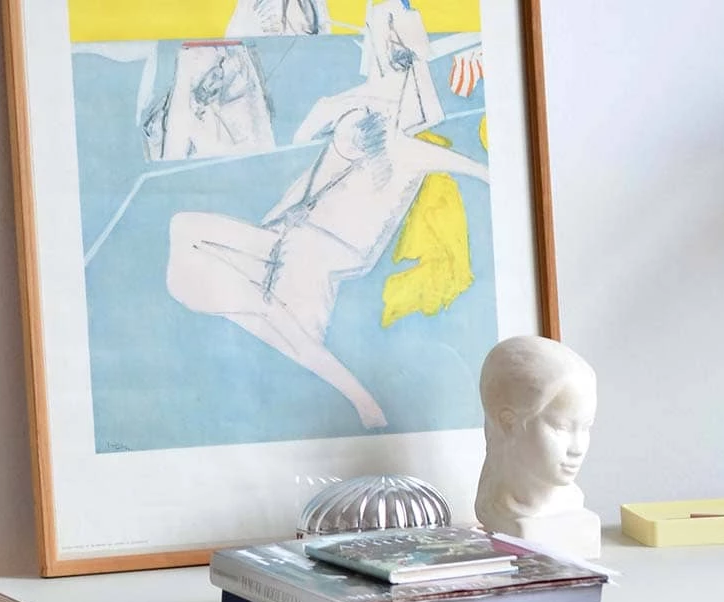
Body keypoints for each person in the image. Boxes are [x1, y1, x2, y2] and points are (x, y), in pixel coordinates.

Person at [164, 1, 483, 429]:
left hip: (305, 254)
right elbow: (304, 146)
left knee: (237, 292)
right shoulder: (345, 109)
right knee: (205, 256)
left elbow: (446, 140)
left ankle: (362, 401)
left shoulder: (398, 141)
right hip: (284, 244)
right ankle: (360, 399)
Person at [474, 336, 598, 537]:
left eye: (585, 427)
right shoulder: (502, 514)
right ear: (508, 423)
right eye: (561, 427)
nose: (577, 448)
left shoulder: (572, 503)